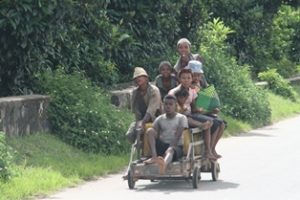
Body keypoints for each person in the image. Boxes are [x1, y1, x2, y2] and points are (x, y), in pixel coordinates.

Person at [168, 68, 217, 160]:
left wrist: (207, 111)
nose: (186, 80)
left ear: (191, 79)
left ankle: (208, 151)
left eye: (188, 78)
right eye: (183, 78)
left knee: (209, 122)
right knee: (188, 119)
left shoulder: (192, 90)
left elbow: (194, 108)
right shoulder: (173, 92)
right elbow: (171, 109)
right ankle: (201, 125)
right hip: (177, 115)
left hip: (189, 114)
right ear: (179, 79)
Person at [189, 60, 226, 159]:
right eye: (194, 75)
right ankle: (207, 151)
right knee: (214, 123)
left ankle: (212, 148)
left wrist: (212, 108)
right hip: (193, 113)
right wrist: (209, 111)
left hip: (202, 111)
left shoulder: (200, 84)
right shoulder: (189, 86)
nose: (196, 77)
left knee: (222, 123)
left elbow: (207, 100)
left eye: (198, 75)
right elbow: (194, 108)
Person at [144, 94, 188, 174]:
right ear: (163, 105)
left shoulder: (181, 118)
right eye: (166, 104)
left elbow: (177, 137)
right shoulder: (160, 118)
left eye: (171, 104)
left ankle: (163, 165)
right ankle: (154, 157)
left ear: (175, 106)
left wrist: (169, 148)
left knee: (170, 150)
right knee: (150, 130)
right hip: (163, 145)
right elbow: (155, 134)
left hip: (176, 148)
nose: (168, 106)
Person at [125, 67, 162, 144]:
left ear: (146, 78)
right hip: (140, 120)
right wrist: (138, 123)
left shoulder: (154, 90)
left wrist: (142, 122)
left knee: (146, 130)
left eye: (140, 76)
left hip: (156, 119)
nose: (138, 78)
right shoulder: (134, 93)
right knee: (129, 134)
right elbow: (135, 110)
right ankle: (139, 150)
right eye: (136, 77)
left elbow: (151, 110)